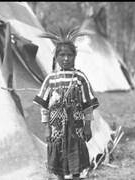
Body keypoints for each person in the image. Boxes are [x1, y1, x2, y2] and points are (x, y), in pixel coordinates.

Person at [33, 25, 99, 180]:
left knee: (76, 151)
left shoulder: (80, 78)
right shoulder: (51, 79)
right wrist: (47, 128)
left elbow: (87, 106)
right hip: (56, 126)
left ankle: (76, 177)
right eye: (62, 54)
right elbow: (44, 107)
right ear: (56, 57)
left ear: (74, 57)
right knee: (58, 153)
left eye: (69, 55)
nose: (66, 58)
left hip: (75, 125)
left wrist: (88, 127)